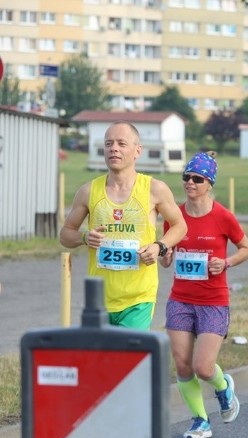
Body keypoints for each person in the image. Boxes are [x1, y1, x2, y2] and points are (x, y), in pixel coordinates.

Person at [159, 152, 248, 438]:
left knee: (202, 366)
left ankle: (223, 386)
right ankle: (200, 420)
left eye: (197, 179)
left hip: (213, 300)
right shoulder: (174, 216)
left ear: (209, 183)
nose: (190, 183)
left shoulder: (223, 216)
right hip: (181, 299)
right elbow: (165, 260)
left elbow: (246, 248)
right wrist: (167, 253)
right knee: (183, 364)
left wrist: (225, 263)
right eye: (186, 177)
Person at [59, 121, 187, 329]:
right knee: (101, 361)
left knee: (126, 359)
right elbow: (65, 235)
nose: (114, 148)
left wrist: (159, 246)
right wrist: (84, 237)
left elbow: (180, 226)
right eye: (108, 144)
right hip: (99, 298)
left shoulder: (155, 189)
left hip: (138, 297)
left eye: (121, 143)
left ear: (137, 151)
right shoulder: (88, 191)